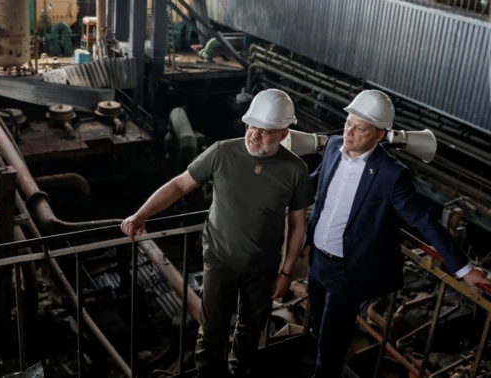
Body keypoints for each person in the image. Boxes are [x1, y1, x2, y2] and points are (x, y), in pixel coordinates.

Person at [121, 89, 315, 378]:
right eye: (251, 126)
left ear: (283, 132)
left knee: (250, 330)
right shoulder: (222, 151)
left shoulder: (295, 170)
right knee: (212, 330)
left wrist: (286, 273)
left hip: (262, 268)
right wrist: (142, 214)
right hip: (220, 262)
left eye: (264, 132)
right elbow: (179, 186)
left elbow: (299, 224)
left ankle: (240, 371)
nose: (254, 135)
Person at [305, 89, 491, 377]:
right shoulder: (332, 146)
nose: (349, 133)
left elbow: (423, 221)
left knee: (331, 343)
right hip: (316, 260)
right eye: (348, 123)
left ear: (379, 135)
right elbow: (315, 184)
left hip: (346, 271)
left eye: (360, 129)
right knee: (318, 326)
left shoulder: (391, 174)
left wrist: (464, 269)